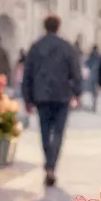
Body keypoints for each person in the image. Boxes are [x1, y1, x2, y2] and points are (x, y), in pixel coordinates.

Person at [21, 15, 82, 187]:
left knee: (45, 132)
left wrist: (27, 97)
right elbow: (75, 71)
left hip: (41, 96)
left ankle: (49, 164)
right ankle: (51, 165)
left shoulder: (36, 47)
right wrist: (77, 92)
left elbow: (28, 74)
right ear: (58, 26)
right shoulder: (67, 47)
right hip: (62, 94)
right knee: (58, 133)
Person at [84, 45, 101, 112]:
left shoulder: (91, 55)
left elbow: (86, 63)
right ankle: (94, 104)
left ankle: (93, 105)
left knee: (92, 90)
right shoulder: (99, 56)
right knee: (95, 91)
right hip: (97, 75)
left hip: (92, 75)